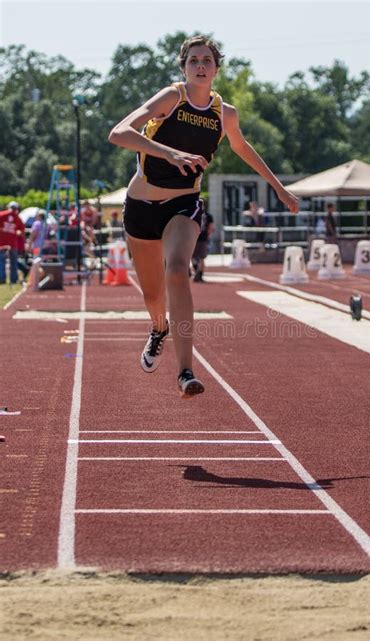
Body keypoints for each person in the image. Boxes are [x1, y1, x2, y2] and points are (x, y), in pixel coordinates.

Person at [108, 34, 298, 398]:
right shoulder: (171, 97)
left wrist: (277, 187)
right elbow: (119, 133)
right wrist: (169, 154)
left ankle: (185, 372)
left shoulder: (224, 114)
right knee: (152, 294)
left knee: (178, 270)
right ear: (183, 67)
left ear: (216, 69)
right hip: (141, 206)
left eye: (206, 61)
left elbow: (243, 148)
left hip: (184, 203)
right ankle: (158, 328)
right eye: (193, 60)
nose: (199, 66)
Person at [0, 201, 25, 284]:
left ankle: (1, 279)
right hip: (13, 243)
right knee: (14, 261)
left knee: (1, 260)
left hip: (2, 242)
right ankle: (13, 279)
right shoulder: (18, 218)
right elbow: (21, 232)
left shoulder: (2, 214)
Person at [192, 207, 215, 282]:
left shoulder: (193, 213)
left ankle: (196, 272)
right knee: (201, 258)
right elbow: (211, 227)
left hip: (194, 238)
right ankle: (199, 274)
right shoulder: (208, 216)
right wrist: (208, 236)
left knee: (193, 256)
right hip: (203, 239)